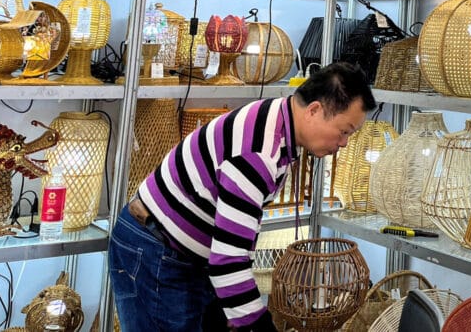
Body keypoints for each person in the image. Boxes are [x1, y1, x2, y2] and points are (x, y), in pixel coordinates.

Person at [109, 62, 377, 331]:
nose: (343, 143)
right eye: (344, 132)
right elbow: (228, 259)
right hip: (156, 249)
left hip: (180, 252)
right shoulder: (259, 152)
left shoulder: (278, 122)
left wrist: (235, 309)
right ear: (314, 110)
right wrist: (257, 324)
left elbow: (239, 234)